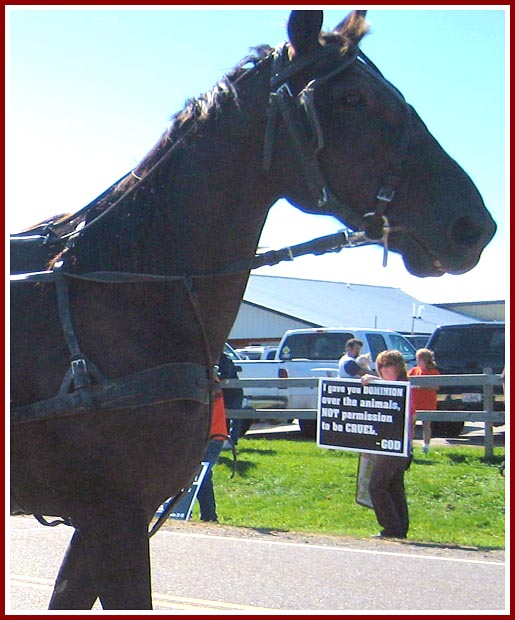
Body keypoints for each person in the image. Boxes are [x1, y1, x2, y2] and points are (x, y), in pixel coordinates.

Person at [361, 350, 415, 539]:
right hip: (384, 444)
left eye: (388, 365)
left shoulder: (403, 388)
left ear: (399, 367)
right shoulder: (387, 386)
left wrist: (410, 447)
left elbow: (408, 417)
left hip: (396, 446)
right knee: (393, 486)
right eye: (380, 365)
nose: (383, 369)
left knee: (377, 486)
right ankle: (400, 528)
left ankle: (391, 528)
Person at [196, 381, 228, 522]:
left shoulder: (208, 383)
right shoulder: (208, 381)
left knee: (202, 474)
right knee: (202, 475)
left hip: (213, 435)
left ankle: (208, 515)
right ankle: (207, 516)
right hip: (207, 435)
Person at [408, 348, 441, 455]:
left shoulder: (434, 372)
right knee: (411, 424)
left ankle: (426, 447)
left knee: (426, 425)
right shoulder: (414, 370)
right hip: (415, 402)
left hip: (427, 401)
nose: (417, 361)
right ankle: (410, 445)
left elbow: (436, 386)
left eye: (419, 358)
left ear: (425, 359)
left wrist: (422, 385)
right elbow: (407, 379)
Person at [217, 352, 244, 445]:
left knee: (235, 417)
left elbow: (225, 375)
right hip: (222, 393)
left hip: (234, 392)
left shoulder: (225, 359)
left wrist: (215, 376)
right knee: (224, 417)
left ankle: (232, 440)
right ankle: (224, 439)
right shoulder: (213, 359)